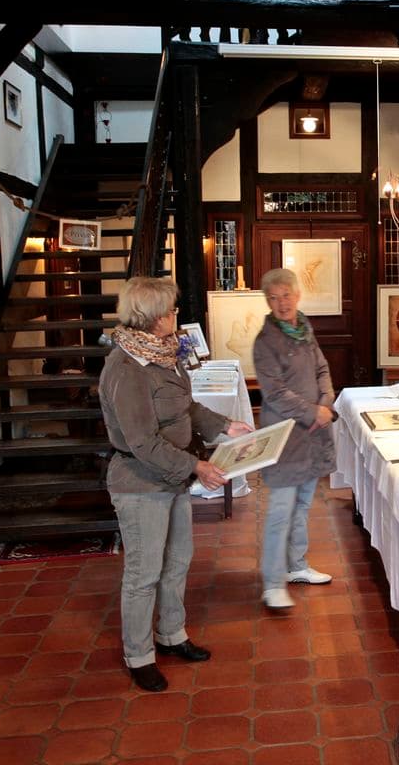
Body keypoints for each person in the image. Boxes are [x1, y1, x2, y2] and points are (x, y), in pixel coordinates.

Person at [99, 277, 252, 692]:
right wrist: (197, 466)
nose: (175, 316)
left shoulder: (164, 354)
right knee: (144, 572)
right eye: (170, 310)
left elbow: (186, 407)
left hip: (173, 479)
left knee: (178, 560)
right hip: (140, 483)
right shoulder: (126, 368)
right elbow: (142, 442)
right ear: (152, 317)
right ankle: (138, 655)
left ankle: (171, 634)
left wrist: (225, 425)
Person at [253, 268, 338, 610]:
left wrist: (326, 402)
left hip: (312, 435)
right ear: (268, 302)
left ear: (297, 295)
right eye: (273, 298)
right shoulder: (265, 341)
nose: (281, 303)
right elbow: (274, 393)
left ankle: (296, 566)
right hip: (286, 437)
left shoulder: (304, 330)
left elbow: (322, 370)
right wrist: (313, 412)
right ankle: (273, 584)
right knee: (281, 510)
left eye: (286, 295)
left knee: (302, 504)